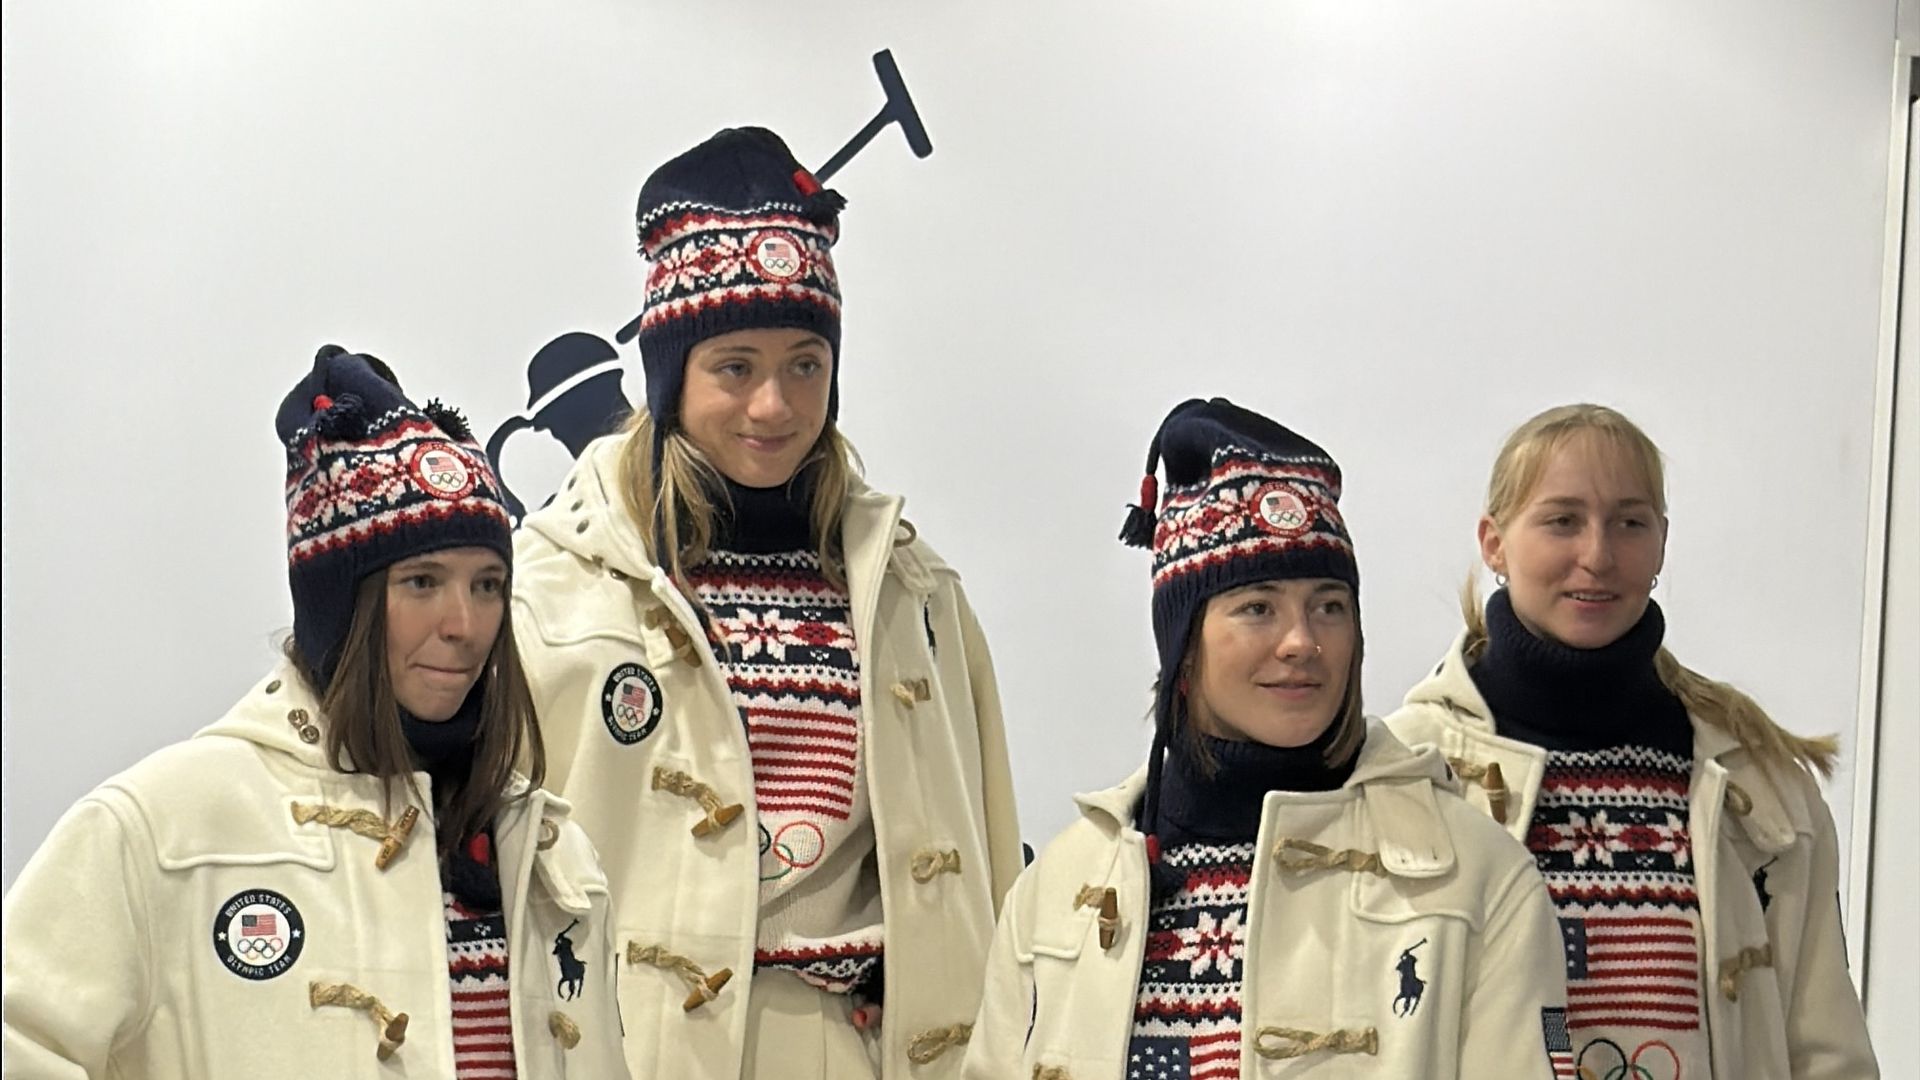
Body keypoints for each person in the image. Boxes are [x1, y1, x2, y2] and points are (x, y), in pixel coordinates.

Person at [511, 127, 1021, 1078]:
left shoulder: (911, 592)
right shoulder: (553, 584)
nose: (773, 406)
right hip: (629, 1056)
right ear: (671, 377)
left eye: (804, 364)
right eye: (735, 366)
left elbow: (981, 866)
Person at [2, 346, 629, 1079]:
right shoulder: (164, 827)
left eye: (488, 584)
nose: (465, 622)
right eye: (422, 582)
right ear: (342, 606)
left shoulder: (548, 848)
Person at [964, 398, 1569, 1079]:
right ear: (1184, 642)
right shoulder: (1059, 885)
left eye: (1328, 607)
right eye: (1258, 607)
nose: (1302, 642)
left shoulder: (1478, 876)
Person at [1385, 403, 1878, 1079]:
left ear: (1662, 542)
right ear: (1494, 541)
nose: (1598, 555)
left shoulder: (1759, 785)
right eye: (1563, 520)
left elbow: (1828, 1052)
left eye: (1629, 522)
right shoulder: (1404, 772)